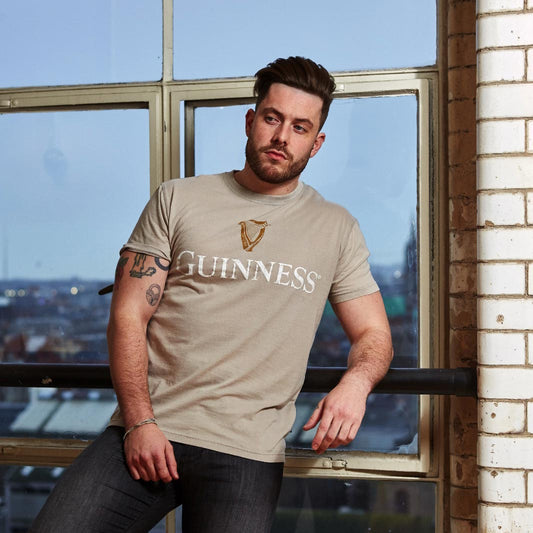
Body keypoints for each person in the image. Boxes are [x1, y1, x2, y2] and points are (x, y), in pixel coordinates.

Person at [30, 56, 393, 533]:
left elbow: (374, 334)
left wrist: (355, 385)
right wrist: (139, 423)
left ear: (316, 143)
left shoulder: (337, 228)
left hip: (246, 452)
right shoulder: (178, 198)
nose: (283, 136)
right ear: (251, 120)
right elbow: (128, 315)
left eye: (300, 127)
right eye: (272, 118)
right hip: (146, 430)